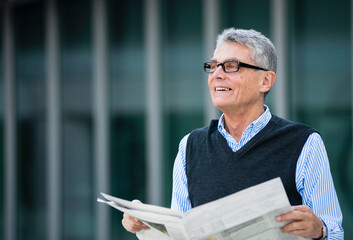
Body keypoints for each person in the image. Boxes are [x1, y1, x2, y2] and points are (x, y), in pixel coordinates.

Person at [122, 28, 344, 239]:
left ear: (265, 81)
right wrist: (148, 224)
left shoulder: (304, 142)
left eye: (231, 66)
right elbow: (182, 232)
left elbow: (334, 233)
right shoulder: (190, 146)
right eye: (214, 66)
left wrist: (319, 230)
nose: (217, 74)